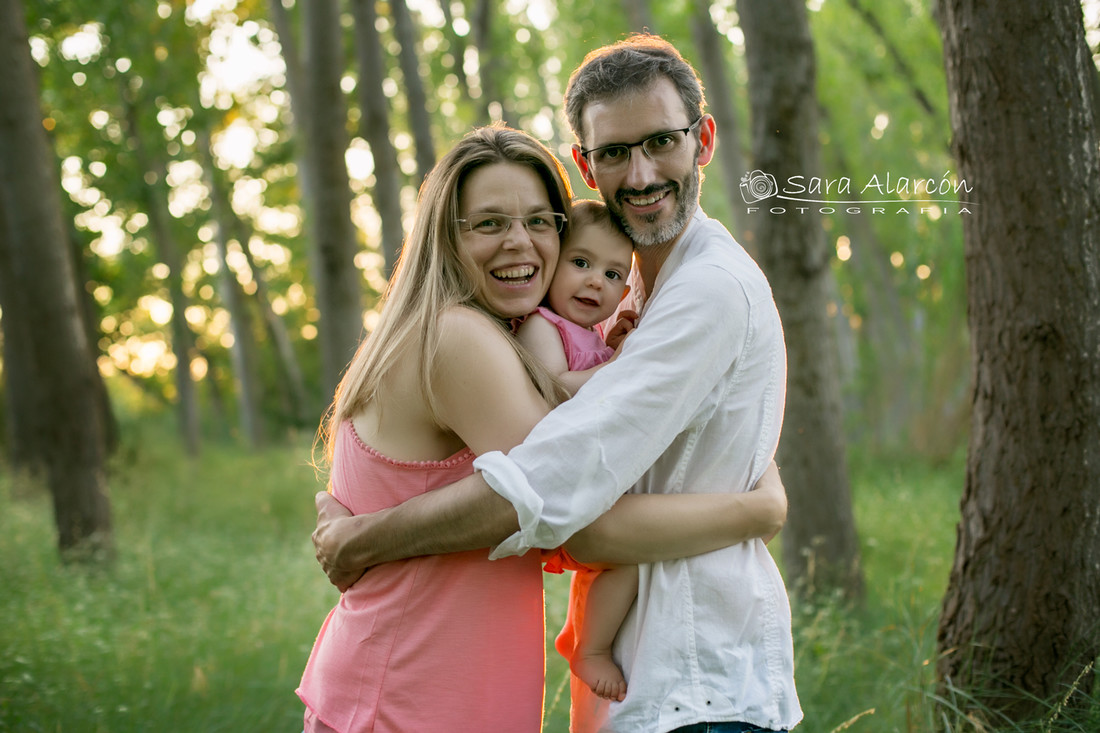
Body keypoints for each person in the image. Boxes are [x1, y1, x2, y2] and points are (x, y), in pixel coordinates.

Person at [314, 33, 803, 733]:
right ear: (587, 166)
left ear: (703, 140)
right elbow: (572, 508)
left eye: (661, 141)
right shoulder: (483, 332)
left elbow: (559, 494)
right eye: (614, 152)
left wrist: (366, 538)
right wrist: (754, 510)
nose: (640, 173)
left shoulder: (699, 291)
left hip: (690, 681)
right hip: (427, 693)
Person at [517, 199, 639, 702]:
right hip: (558, 484)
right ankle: (589, 647)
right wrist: (619, 364)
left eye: (612, 274)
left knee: (619, 561)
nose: (595, 282)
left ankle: (583, 634)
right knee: (626, 558)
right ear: (551, 263)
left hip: (592, 478)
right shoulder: (541, 325)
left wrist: (616, 347)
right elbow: (558, 388)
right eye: (581, 262)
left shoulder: (589, 334)